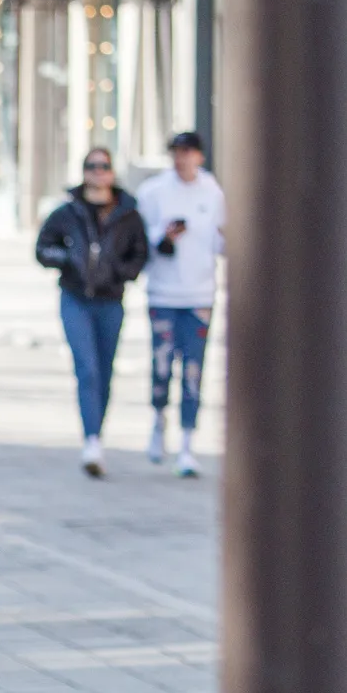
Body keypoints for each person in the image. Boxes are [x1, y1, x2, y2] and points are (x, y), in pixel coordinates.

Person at [36, 147, 150, 477]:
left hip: (111, 301)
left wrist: (121, 272)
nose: (98, 173)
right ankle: (91, 441)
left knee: (104, 370)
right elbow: (43, 248)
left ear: (112, 173)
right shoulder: (67, 212)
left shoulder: (128, 214)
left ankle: (97, 433)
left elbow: (139, 253)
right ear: (84, 172)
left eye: (104, 167)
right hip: (75, 298)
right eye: (92, 167)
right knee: (86, 368)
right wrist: (67, 259)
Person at [137, 130, 224, 477]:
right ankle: (159, 421)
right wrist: (165, 237)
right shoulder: (153, 193)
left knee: (193, 369)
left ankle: (187, 442)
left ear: (199, 156)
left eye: (188, 152)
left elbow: (221, 239)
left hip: (200, 294)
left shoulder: (213, 193)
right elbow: (142, 241)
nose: (181, 158)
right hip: (163, 292)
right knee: (161, 365)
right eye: (176, 152)